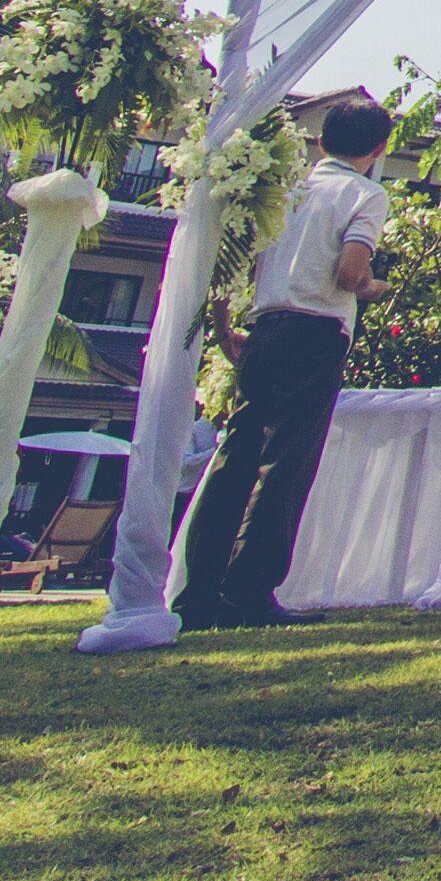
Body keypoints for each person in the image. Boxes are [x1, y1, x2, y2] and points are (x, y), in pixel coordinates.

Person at [176, 95, 397, 629]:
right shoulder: (365, 195)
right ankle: (249, 590)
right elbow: (349, 274)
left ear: (319, 142)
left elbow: (232, 258)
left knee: (235, 458)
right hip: (315, 332)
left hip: (263, 327)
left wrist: (224, 328)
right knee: (285, 466)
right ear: (378, 149)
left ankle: (197, 592)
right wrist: (374, 288)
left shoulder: (284, 191)